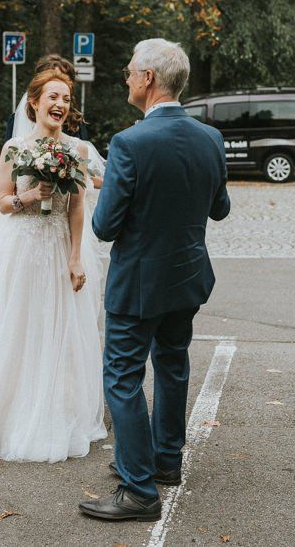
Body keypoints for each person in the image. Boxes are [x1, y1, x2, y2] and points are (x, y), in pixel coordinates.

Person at [78, 39, 230, 521]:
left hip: (138, 283)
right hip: (185, 277)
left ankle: (139, 490)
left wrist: (112, 190)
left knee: (122, 377)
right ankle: (166, 461)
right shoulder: (210, 138)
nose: (125, 77)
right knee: (171, 365)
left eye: (129, 71)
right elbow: (219, 208)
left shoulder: (129, 143)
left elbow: (104, 226)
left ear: (147, 79)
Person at [0, 69, 107, 462]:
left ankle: (59, 413)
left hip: (58, 246)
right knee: (20, 328)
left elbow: (76, 207)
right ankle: (11, 416)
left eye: (67, 99)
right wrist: (30, 195)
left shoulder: (78, 150)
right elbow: (4, 202)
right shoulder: (14, 148)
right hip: (22, 249)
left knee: (61, 330)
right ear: (34, 102)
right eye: (52, 97)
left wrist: (75, 258)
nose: (60, 104)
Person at [5, 54, 104, 187]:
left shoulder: (75, 122)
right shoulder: (15, 123)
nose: (59, 82)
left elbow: (84, 170)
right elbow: (8, 174)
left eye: (65, 78)